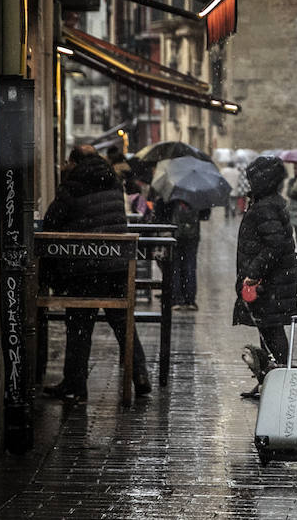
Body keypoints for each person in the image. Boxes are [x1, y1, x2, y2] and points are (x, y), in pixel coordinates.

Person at [40, 153, 151, 404]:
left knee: (79, 326)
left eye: (68, 161)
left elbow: (52, 221)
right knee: (123, 323)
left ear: (75, 163)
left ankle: (76, 385)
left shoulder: (73, 185)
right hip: (115, 264)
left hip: (83, 267)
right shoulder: (113, 181)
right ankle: (140, 374)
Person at [231, 157, 297, 399]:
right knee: (267, 329)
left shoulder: (265, 206)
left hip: (269, 282)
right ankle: (268, 380)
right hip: (273, 281)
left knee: (272, 331)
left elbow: (275, 245)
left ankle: (280, 381)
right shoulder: (269, 202)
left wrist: (254, 273)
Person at [159, 196, 202, 310]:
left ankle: (177, 298)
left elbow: (161, 212)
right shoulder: (198, 192)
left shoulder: (171, 192)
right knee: (190, 265)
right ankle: (190, 300)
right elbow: (205, 214)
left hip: (175, 232)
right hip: (192, 234)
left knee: (175, 265)